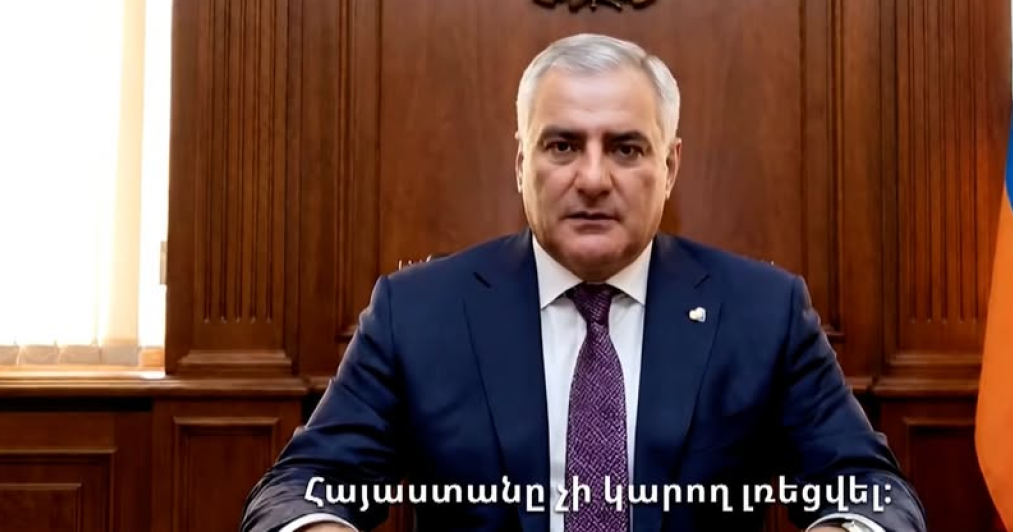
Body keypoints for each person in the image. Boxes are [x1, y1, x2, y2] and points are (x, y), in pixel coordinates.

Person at [240, 34, 927, 532]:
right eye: (563, 145)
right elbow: (300, 487)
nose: (593, 179)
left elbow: (871, 491)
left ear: (669, 168)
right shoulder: (418, 314)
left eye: (626, 148)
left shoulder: (762, 313)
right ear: (521, 163)